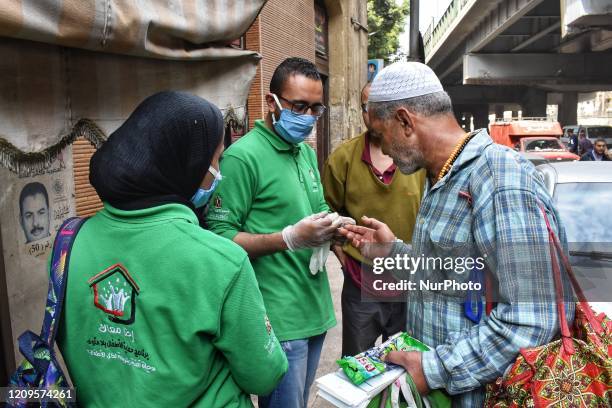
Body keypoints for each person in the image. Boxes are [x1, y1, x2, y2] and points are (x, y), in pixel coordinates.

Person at [340, 62, 573, 406]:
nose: (383, 149)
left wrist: (433, 369)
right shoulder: (443, 179)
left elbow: (533, 318)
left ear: (404, 121)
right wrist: (392, 252)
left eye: (380, 133)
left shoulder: (499, 178)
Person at [56, 91, 288, 407]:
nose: (218, 172)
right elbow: (263, 375)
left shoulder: (70, 243)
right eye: (217, 158)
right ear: (186, 164)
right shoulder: (221, 261)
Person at [207, 58, 337, 408]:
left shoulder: (306, 154)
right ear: (271, 102)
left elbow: (317, 209)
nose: (308, 117)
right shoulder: (242, 158)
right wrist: (289, 238)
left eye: (316, 108)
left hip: (315, 309)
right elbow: (218, 239)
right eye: (299, 106)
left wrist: (336, 228)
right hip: (278, 319)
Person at [322, 82, 425, 357]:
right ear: (362, 111)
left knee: (405, 367)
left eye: (382, 109)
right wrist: (337, 246)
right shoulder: (343, 158)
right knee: (358, 365)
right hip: (361, 282)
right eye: (368, 108)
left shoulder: (418, 159)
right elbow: (327, 209)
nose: (374, 116)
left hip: (408, 281)